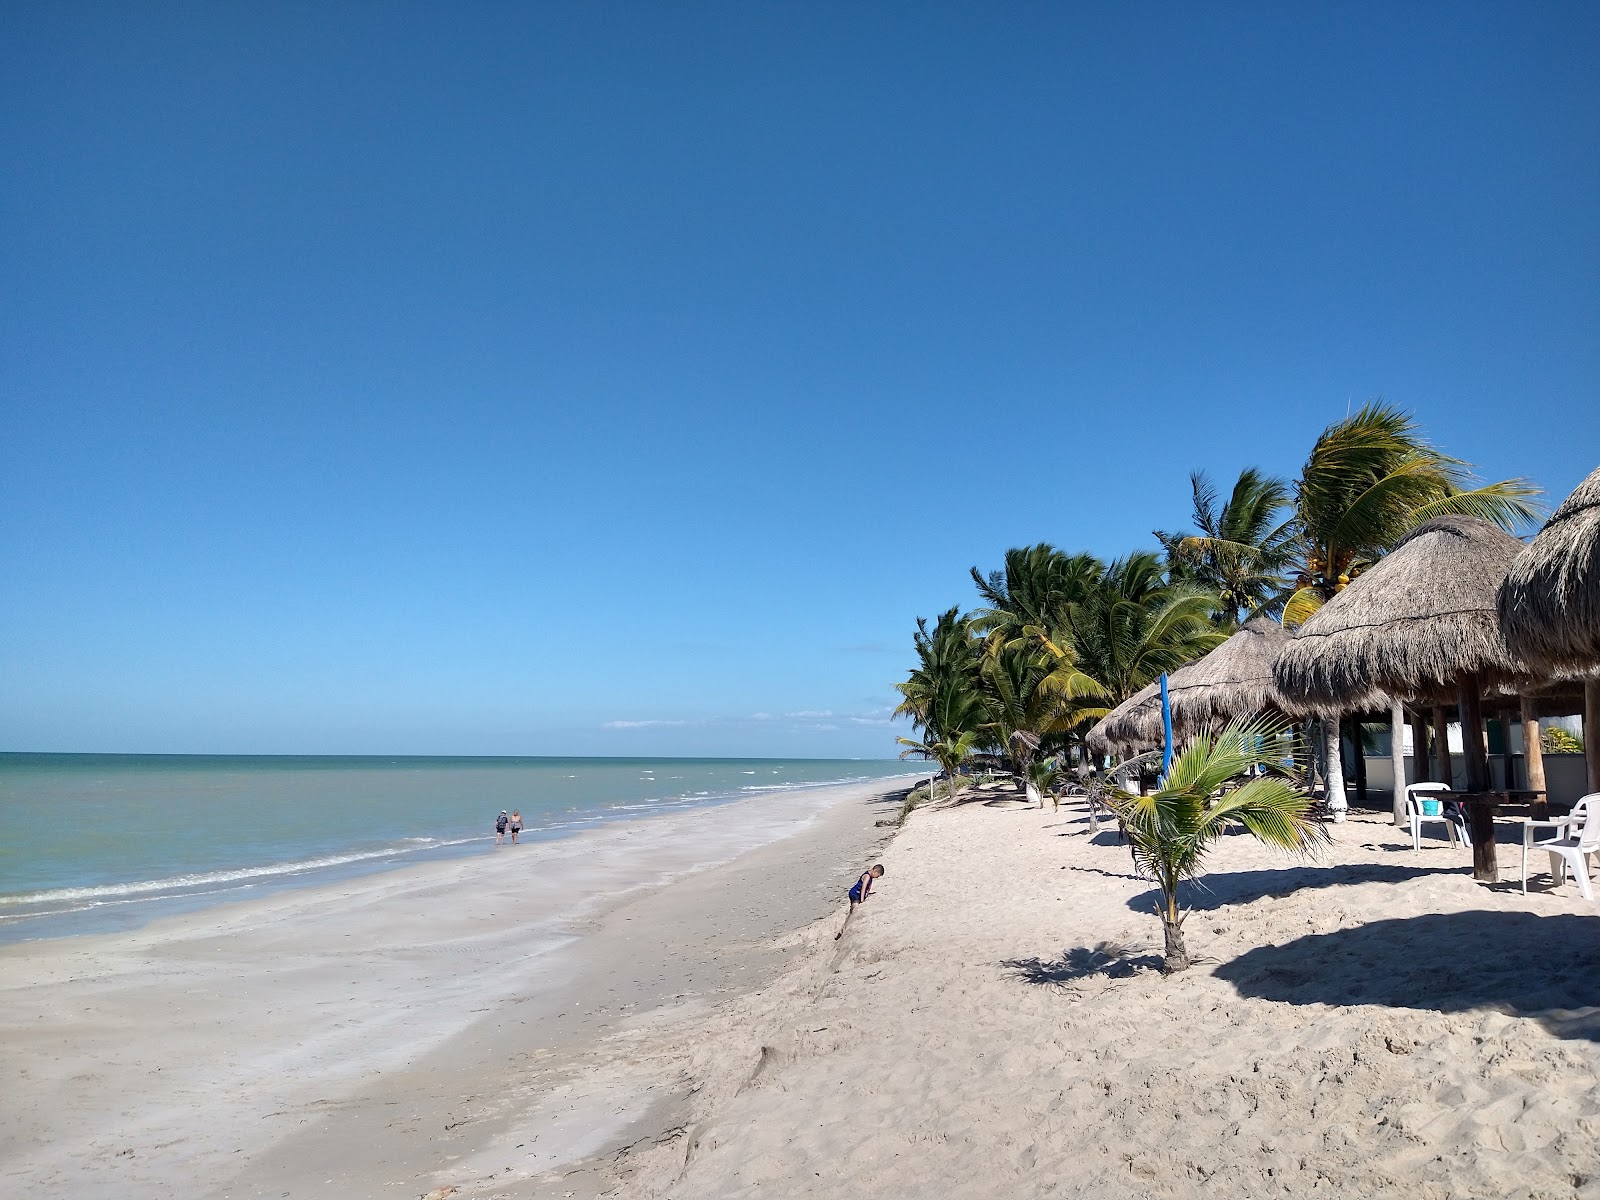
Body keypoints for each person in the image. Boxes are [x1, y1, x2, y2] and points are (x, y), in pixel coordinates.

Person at [834, 864, 885, 940]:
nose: (877, 877)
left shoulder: (869, 875)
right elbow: (863, 887)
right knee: (855, 910)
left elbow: (866, 889)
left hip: (857, 893)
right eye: (878, 875)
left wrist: (867, 894)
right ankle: (843, 931)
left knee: (852, 912)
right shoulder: (867, 876)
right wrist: (862, 899)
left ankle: (843, 928)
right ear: (875, 871)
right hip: (855, 894)